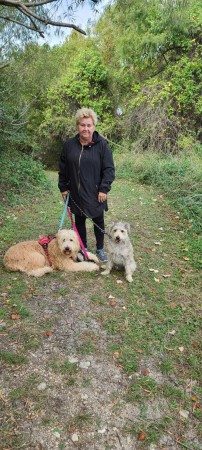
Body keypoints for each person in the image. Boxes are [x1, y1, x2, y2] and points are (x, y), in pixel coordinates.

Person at [58, 108, 115, 262]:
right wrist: (63, 187)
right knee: (80, 221)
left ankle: (100, 249)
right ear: (78, 126)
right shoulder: (69, 145)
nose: (86, 128)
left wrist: (104, 188)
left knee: (98, 220)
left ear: (94, 127)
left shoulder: (102, 145)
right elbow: (63, 168)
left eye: (89, 125)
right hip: (76, 193)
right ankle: (83, 249)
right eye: (82, 125)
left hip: (96, 193)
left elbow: (109, 169)